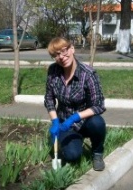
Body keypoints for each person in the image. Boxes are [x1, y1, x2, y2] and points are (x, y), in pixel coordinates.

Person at [44, 37, 107, 171]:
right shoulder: (53, 71)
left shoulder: (88, 74)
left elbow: (99, 105)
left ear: (72, 49)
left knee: (98, 123)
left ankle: (97, 152)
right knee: (72, 155)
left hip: (85, 122)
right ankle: (71, 141)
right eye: (56, 55)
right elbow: (49, 99)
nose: (61, 56)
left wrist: (75, 117)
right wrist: (55, 121)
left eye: (64, 51)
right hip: (65, 125)